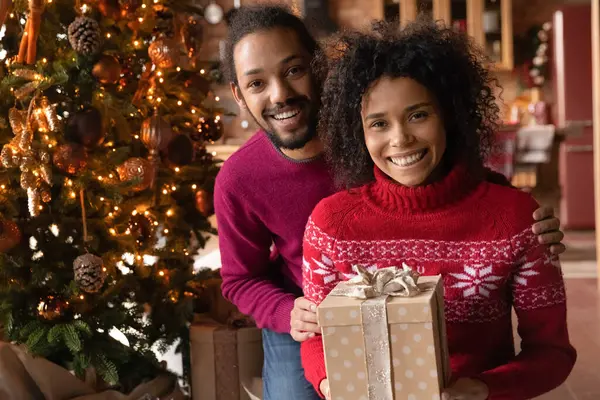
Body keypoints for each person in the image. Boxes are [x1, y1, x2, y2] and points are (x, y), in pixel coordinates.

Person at [214, 5, 567, 400]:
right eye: (257, 83)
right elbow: (240, 278)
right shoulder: (242, 180)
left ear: (318, 68)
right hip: (304, 309)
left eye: (293, 70)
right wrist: (292, 315)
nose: (280, 94)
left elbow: (449, 180)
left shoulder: (377, 130)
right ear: (239, 95)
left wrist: (519, 216)